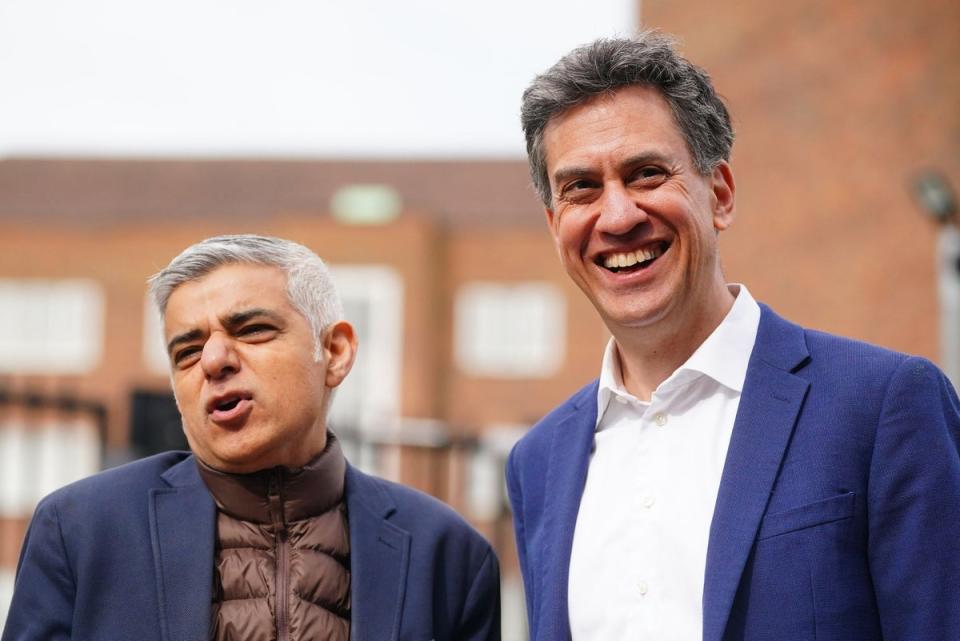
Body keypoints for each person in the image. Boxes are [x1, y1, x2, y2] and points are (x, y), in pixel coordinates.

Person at [506, 32, 960, 641]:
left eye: (646, 174)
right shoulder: (537, 462)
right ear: (555, 221)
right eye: (581, 187)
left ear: (719, 194)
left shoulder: (883, 407)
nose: (617, 217)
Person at [3, 234, 501, 641]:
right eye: (187, 351)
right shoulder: (80, 531)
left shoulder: (448, 554)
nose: (215, 360)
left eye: (253, 329)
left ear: (336, 351)